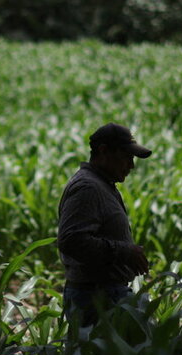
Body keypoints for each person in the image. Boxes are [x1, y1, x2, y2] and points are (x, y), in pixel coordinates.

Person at [57, 123, 152, 328]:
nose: (131, 165)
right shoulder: (88, 188)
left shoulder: (102, 184)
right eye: (127, 157)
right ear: (103, 151)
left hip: (105, 295)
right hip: (95, 299)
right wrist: (124, 251)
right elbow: (71, 240)